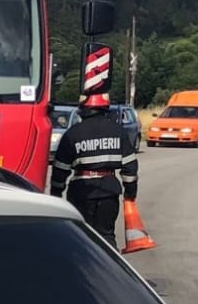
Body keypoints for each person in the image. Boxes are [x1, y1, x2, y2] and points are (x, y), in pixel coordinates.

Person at [50, 91, 138, 249]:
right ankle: (109, 264)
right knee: (107, 237)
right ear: (105, 108)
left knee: (81, 238)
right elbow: (130, 168)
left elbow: (60, 169)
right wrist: (130, 194)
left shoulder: (73, 133)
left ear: (83, 108)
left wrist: (55, 194)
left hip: (81, 192)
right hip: (109, 192)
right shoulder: (118, 131)